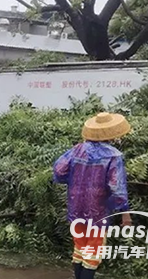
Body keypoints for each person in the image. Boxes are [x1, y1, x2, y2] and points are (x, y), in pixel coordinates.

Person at [53, 112, 132, 279]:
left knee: (80, 248)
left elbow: (59, 170)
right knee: (93, 252)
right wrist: (125, 213)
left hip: (76, 208)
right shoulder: (113, 155)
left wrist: (75, 179)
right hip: (98, 211)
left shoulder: (77, 150)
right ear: (111, 133)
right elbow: (117, 187)